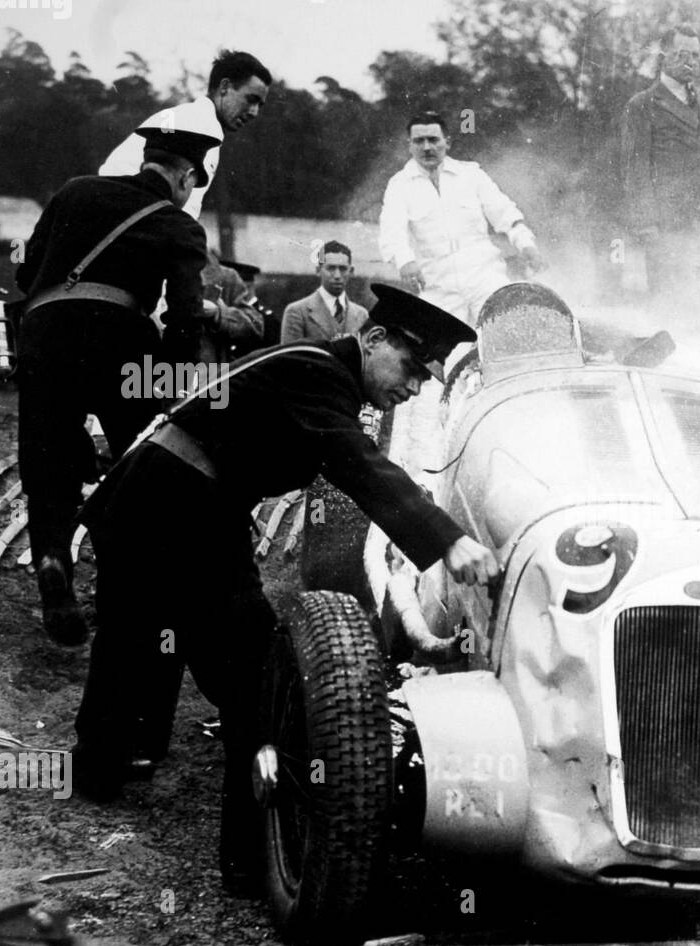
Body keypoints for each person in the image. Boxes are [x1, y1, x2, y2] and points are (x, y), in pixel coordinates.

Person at [70, 284, 501, 894]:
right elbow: (358, 466)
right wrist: (447, 539)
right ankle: (250, 862)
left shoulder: (314, 376)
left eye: (426, 382)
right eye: (410, 368)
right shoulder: (318, 372)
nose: (414, 388)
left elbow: (346, 465)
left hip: (155, 500)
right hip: (181, 508)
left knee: (129, 638)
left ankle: (97, 772)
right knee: (259, 677)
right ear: (372, 339)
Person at [14, 126, 219, 646]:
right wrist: (172, 392)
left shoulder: (76, 189)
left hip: (41, 338)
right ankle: (123, 593)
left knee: (47, 459)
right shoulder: (178, 224)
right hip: (119, 346)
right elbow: (186, 320)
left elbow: (27, 273)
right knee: (139, 462)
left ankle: (53, 557)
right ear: (182, 174)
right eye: (193, 183)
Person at [378, 111, 545, 326]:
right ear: (410, 145)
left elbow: (505, 213)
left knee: (505, 333)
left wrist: (526, 245)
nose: (427, 147)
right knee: (447, 353)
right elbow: (392, 232)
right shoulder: (399, 184)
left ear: (447, 142)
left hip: (484, 276)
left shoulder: (471, 175)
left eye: (433, 140)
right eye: (419, 141)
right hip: (438, 285)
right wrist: (405, 261)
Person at [620, 23, 700, 297]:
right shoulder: (641, 104)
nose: (691, 62)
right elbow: (635, 171)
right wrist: (647, 225)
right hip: (669, 225)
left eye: (696, 56)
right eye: (683, 54)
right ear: (662, 56)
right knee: (674, 304)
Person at [100, 50, 271, 220]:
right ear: (224, 87)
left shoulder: (193, 118)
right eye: (251, 99)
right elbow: (183, 213)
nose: (254, 112)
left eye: (260, 105)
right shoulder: (200, 128)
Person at [281, 239, 369, 342]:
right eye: (331, 268)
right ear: (318, 270)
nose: (337, 275)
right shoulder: (297, 312)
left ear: (351, 271)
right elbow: (290, 357)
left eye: (343, 269)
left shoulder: (361, 315)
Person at [198, 249, 264, 363]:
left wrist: (219, 314)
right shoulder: (158, 271)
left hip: (208, 374)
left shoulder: (225, 277)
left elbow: (256, 326)